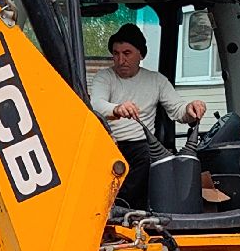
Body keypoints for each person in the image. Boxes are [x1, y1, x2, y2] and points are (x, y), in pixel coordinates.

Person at [88, 24, 208, 208]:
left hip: (141, 145)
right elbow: (95, 104)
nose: (120, 60)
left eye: (127, 53)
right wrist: (117, 109)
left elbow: (178, 109)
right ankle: (113, 207)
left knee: (150, 159)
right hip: (109, 143)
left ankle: (123, 206)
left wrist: (191, 108)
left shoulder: (156, 80)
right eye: (116, 53)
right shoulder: (104, 77)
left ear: (141, 54)